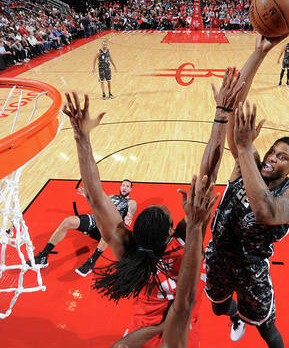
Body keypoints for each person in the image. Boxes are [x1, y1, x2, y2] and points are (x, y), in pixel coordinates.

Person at [61, 65, 244, 347]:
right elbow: (209, 174)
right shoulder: (183, 244)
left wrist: (81, 138)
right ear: (172, 231)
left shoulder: (127, 249)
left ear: (134, 231)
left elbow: (96, 197)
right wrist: (221, 116)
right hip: (180, 334)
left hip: (140, 332)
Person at [203, 35, 289, 348]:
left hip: (252, 271)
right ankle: (234, 317)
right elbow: (233, 108)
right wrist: (259, 52)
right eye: (273, 152)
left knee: (267, 329)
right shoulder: (246, 163)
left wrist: (246, 148)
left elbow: (265, 213)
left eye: (282, 157)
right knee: (218, 306)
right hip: (218, 256)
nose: (273, 158)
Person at [110, 175, 217, 348]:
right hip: (182, 325)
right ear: (170, 230)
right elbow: (184, 302)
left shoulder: (138, 258)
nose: (162, 207)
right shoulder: (185, 246)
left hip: (148, 327)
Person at [30, 180, 137, 277]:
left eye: (127, 186)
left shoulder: (131, 202)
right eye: (123, 185)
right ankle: (43, 256)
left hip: (109, 228)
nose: (124, 188)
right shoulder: (111, 197)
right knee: (68, 221)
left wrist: (129, 216)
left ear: (130, 189)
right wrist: (88, 197)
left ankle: (91, 262)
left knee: (109, 231)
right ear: (120, 187)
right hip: (96, 220)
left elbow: (132, 209)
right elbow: (97, 205)